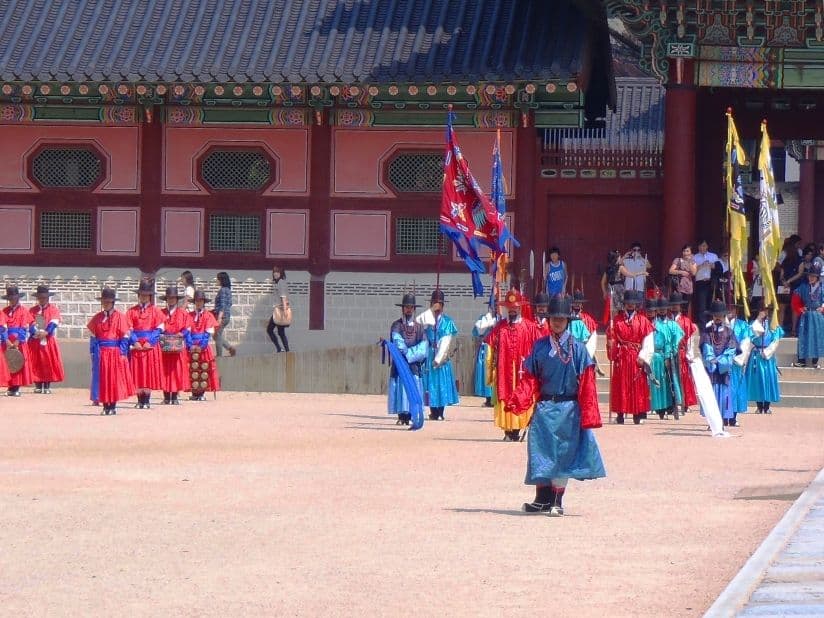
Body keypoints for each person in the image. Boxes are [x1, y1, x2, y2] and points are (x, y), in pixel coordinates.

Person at [503, 294, 605, 516]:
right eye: (553, 318)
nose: (557, 322)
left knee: (562, 455)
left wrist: (589, 415)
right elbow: (530, 378)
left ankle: (557, 499)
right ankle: (542, 498)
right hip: (544, 408)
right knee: (539, 450)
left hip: (569, 409)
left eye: (561, 318)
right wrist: (518, 400)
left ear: (568, 320)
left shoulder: (578, 349)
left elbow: (587, 383)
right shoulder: (539, 347)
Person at [486, 290, 540, 441]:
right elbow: (490, 345)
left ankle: (517, 428)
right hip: (504, 371)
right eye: (509, 308)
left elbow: (539, 348)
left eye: (514, 308)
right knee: (506, 395)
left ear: (520, 308)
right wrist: (491, 369)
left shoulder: (529, 327)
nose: (512, 310)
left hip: (523, 371)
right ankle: (508, 430)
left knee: (521, 395)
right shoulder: (500, 327)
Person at [606, 290, 654, 425]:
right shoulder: (617, 320)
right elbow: (613, 336)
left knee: (636, 384)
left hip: (636, 356)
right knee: (621, 384)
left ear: (636, 305)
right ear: (624, 304)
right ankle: (620, 413)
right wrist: (611, 344)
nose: (630, 305)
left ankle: (637, 414)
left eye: (633, 303)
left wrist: (643, 356)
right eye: (628, 303)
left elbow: (649, 340)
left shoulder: (643, 320)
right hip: (622, 355)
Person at [87, 288, 135, 415]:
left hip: (114, 352)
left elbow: (125, 336)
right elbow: (93, 336)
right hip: (101, 352)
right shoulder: (97, 318)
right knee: (102, 379)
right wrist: (92, 352)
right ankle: (105, 405)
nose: (106, 304)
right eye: (104, 302)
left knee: (113, 379)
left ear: (113, 303)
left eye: (108, 302)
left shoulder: (120, 317)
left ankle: (112, 406)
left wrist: (122, 353)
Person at [416, 289, 459, 420]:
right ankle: (433, 410)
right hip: (429, 353)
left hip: (442, 354)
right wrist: (430, 312)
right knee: (431, 383)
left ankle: (440, 411)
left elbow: (447, 340)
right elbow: (418, 322)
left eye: (439, 304)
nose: (437, 307)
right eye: (434, 303)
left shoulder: (447, 322)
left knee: (441, 382)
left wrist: (440, 357)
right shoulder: (427, 319)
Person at [387, 293, 428, 426]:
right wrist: (404, 354)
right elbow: (397, 341)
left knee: (413, 387)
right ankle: (401, 416)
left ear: (414, 309)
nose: (408, 309)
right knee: (400, 387)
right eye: (406, 307)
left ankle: (410, 414)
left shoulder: (419, 327)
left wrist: (410, 355)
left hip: (413, 364)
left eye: (411, 307)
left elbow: (423, 346)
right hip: (400, 363)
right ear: (403, 308)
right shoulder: (396, 325)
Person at [640, 298, 684, 421]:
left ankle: (663, 408)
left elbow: (668, 342)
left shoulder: (665, 325)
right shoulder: (647, 324)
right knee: (648, 383)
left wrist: (668, 356)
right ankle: (648, 407)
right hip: (648, 356)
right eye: (649, 311)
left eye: (653, 311)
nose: (651, 313)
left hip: (661, 357)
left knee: (663, 384)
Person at [126, 280, 165, 409]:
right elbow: (128, 329)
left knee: (148, 372)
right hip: (136, 346)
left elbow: (158, 329)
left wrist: (150, 341)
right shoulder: (131, 311)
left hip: (150, 346)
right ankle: (139, 399)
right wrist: (135, 341)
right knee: (137, 372)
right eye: (141, 294)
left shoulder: (156, 311)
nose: (143, 297)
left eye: (146, 295)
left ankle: (147, 399)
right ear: (138, 296)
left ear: (150, 296)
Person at [700, 301, 738, 427]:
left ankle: (721, 420)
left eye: (720, 315)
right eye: (715, 315)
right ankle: (711, 421)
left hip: (723, 368)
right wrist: (711, 359)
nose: (717, 317)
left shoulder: (730, 332)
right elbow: (706, 348)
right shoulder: (707, 332)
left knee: (723, 395)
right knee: (711, 395)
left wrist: (721, 360)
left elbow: (732, 350)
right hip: (711, 368)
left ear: (723, 316)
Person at [747, 300, 782, 414]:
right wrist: (758, 319)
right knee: (758, 380)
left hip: (767, 355)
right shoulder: (754, 323)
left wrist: (767, 352)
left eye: (766, 310)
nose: (765, 312)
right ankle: (759, 405)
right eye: (762, 310)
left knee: (767, 379)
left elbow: (776, 341)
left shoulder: (773, 325)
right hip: (756, 354)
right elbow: (753, 333)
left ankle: (766, 406)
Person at [28, 285, 65, 394]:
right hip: (36, 339)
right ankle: (38, 384)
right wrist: (36, 332)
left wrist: (46, 332)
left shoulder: (53, 309)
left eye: (44, 297)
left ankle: (47, 385)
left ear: (48, 298)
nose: (42, 299)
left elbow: (54, 322)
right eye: (40, 297)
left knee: (47, 361)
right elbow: (30, 322)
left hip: (48, 340)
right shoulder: (32, 310)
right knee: (36, 362)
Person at [159, 287, 191, 405]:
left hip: (177, 343)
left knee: (177, 370)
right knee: (165, 370)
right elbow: (158, 327)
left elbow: (187, 328)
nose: (171, 300)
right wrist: (161, 335)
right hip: (165, 344)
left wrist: (181, 334)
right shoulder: (161, 313)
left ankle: (175, 396)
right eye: (169, 298)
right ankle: (166, 396)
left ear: (177, 299)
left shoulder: (183, 313)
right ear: (166, 299)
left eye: (173, 298)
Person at [187, 290, 221, 400]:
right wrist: (190, 344)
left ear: (203, 302)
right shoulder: (189, 316)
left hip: (203, 345)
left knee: (204, 368)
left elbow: (208, 332)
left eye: (200, 301)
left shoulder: (208, 315)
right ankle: (194, 392)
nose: (198, 303)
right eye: (197, 301)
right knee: (192, 368)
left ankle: (201, 393)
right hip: (191, 345)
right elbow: (187, 331)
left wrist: (202, 345)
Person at [668, 292, 698, 414]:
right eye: (673, 305)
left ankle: (685, 403)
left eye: (677, 305)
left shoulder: (686, 321)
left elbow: (690, 340)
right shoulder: (666, 321)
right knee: (669, 378)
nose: (675, 307)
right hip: (669, 353)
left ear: (681, 306)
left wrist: (690, 354)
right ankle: (671, 404)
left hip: (681, 353)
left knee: (684, 377)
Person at [791, 263, 824, 369]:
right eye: (809, 276)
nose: (810, 278)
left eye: (813, 276)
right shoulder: (803, 287)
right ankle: (801, 361)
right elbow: (795, 299)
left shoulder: (822, 288)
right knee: (803, 336)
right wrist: (800, 309)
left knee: (817, 337)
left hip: (817, 316)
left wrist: (822, 308)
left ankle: (815, 361)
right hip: (806, 315)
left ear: (817, 277)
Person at [2, 285, 33, 396]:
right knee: (8, 363)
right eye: (10, 299)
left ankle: (16, 387)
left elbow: (24, 327)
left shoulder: (24, 311)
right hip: (6, 341)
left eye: (14, 298)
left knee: (17, 362)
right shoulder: (4, 311)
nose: (12, 301)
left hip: (18, 341)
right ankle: (10, 387)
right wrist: (6, 340)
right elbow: (2, 327)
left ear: (18, 298)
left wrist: (18, 341)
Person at [785, 244, 817, 337]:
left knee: (809, 308)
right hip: (800, 287)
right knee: (796, 308)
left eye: (811, 254)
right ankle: (794, 329)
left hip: (809, 288)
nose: (810, 256)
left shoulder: (813, 264)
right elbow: (800, 274)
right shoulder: (800, 262)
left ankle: (807, 329)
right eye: (808, 254)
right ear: (804, 254)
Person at [727, 304, 752, 421]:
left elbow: (746, 343)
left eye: (732, 308)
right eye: (727, 308)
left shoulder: (743, 326)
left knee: (735, 388)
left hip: (736, 362)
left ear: (736, 310)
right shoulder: (718, 324)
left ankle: (733, 416)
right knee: (723, 390)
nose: (730, 311)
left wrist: (736, 357)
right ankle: (722, 417)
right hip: (722, 362)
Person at [472, 303, 496, 407]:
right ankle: (488, 398)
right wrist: (489, 322)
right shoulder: (484, 318)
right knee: (487, 373)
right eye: (492, 306)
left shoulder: (501, 319)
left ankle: (495, 398)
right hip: (487, 347)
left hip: (497, 348)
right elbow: (478, 330)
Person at [693, 240, 720, 321]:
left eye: (704, 246)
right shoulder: (695, 257)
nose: (702, 248)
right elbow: (692, 271)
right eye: (701, 246)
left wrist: (711, 265)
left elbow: (719, 268)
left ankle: (710, 324)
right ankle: (703, 326)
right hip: (700, 283)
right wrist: (701, 265)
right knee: (702, 305)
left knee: (711, 303)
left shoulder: (713, 256)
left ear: (707, 246)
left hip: (711, 282)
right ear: (698, 247)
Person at [266, 266, 290, 353]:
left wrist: (284, 311)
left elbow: (283, 297)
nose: (275, 273)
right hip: (278, 310)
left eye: (277, 272)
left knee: (270, 330)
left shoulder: (281, 283)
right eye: (274, 272)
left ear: (281, 273)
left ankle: (281, 349)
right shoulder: (278, 283)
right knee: (280, 332)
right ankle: (285, 350)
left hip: (280, 310)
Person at [213, 271, 236, 357]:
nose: (216, 280)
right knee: (216, 335)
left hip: (222, 316)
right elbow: (229, 304)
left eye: (217, 279)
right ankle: (230, 348)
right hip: (226, 316)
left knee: (217, 335)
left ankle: (219, 356)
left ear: (221, 280)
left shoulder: (222, 290)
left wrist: (219, 318)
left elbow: (222, 305)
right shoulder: (228, 290)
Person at [668, 244, 697, 310]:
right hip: (679, 286)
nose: (685, 253)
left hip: (688, 287)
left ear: (690, 252)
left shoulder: (693, 262)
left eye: (687, 251)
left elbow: (694, 273)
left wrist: (689, 261)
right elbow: (670, 271)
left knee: (685, 308)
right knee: (678, 307)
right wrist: (681, 272)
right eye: (684, 251)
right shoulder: (677, 260)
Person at [600, 250, 625, 316]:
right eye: (619, 257)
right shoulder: (619, 268)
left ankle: (614, 324)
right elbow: (603, 282)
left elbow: (602, 282)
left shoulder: (608, 269)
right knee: (617, 310)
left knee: (614, 310)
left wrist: (604, 292)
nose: (620, 258)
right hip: (617, 290)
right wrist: (604, 292)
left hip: (614, 290)